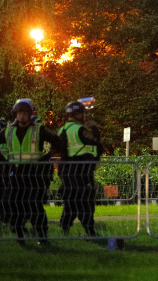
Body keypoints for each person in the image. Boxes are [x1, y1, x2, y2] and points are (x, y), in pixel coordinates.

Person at [0, 99, 62, 245]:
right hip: (16, 172)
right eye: (19, 113)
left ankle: (42, 236)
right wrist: (1, 159)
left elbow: (57, 141)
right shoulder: (9, 130)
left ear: (30, 114)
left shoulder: (38, 129)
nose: (21, 116)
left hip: (34, 173)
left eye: (24, 113)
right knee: (15, 204)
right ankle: (19, 235)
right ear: (16, 114)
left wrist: (47, 157)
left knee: (35, 205)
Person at [58, 101, 103, 236]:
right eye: (83, 113)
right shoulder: (80, 129)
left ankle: (64, 227)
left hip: (67, 170)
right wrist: (95, 131)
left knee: (71, 202)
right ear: (78, 114)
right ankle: (90, 230)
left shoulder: (62, 129)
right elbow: (96, 145)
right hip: (81, 170)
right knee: (86, 202)